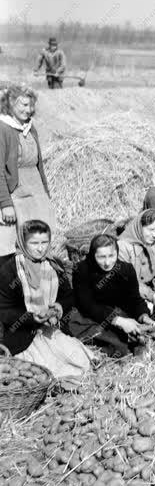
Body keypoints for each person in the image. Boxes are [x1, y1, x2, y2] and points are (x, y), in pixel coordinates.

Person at [0, 220, 93, 384]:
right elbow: (4, 311)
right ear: (23, 242)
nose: (40, 248)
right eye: (34, 243)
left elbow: (68, 296)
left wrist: (58, 307)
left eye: (44, 242)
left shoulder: (54, 264)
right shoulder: (9, 269)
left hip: (51, 328)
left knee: (81, 362)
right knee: (45, 372)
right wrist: (32, 318)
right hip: (23, 336)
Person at [72, 233, 155, 358]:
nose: (107, 262)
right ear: (93, 255)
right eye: (101, 257)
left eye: (111, 256)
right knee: (120, 347)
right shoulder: (82, 270)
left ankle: (134, 339)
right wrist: (118, 321)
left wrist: (143, 315)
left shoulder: (126, 270)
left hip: (116, 312)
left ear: (117, 253)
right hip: (92, 316)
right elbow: (87, 305)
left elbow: (134, 298)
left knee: (138, 327)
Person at [0, 84, 54, 269]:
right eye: (22, 105)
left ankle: (40, 283)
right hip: (18, 193)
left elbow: (39, 165)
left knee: (41, 238)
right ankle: (17, 284)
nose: (27, 109)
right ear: (10, 104)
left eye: (30, 105)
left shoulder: (30, 128)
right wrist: (5, 204)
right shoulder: (3, 129)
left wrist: (45, 194)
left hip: (36, 190)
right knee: (21, 241)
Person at [118, 210, 155, 325]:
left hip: (145, 293)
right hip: (124, 293)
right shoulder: (123, 247)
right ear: (139, 227)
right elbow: (127, 282)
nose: (154, 235)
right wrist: (152, 296)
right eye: (150, 230)